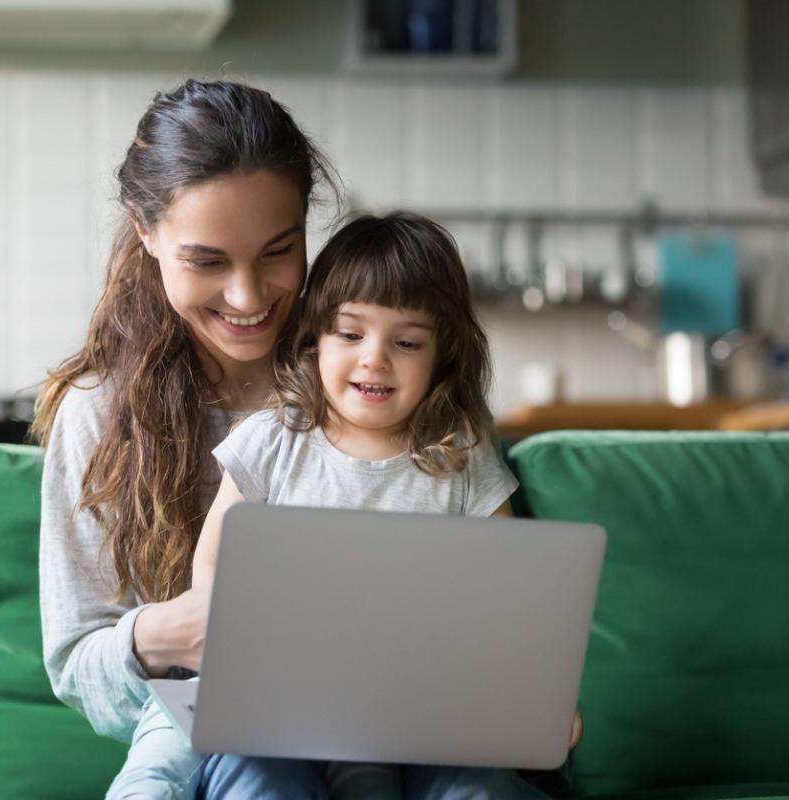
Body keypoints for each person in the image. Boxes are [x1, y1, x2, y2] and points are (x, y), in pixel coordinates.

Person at [36, 79, 575, 799]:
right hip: (236, 744)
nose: (248, 297)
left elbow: (494, 591)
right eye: (207, 261)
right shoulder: (98, 413)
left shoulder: (381, 379)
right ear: (146, 231)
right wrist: (164, 635)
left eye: (277, 251)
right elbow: (76, 666)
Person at [127, 211, 572, 799]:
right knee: (252, 781)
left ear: (442, 356)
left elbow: (511, 597)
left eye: (407, 342)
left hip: (423, 715)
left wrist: (534, 698)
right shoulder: (274, 440)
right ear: (315, 337)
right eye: (350, 333)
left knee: (476, 789)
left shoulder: (461, 458)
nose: (375, 359)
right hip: (281, 710)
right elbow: (211, 571)